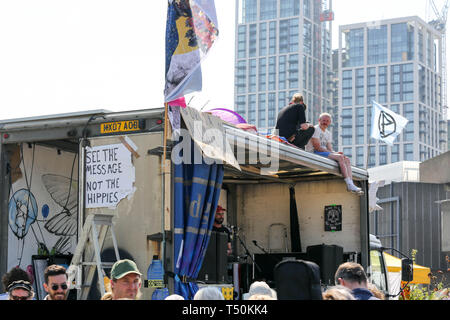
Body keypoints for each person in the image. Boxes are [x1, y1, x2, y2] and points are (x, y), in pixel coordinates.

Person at [305, 113, 364, 195]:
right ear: (319, 120)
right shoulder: (316, 129)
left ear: (330, 123)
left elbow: (329, 148)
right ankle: (348, 183)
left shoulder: (328, 133)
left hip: (323, 152)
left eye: (327, 121)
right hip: (314, 152)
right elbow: (317, 147)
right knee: (340, 157)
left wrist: (335, 153)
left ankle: (351, 183)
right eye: (323, 120)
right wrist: (334, 153)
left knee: (346, 159)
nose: (325, 122)